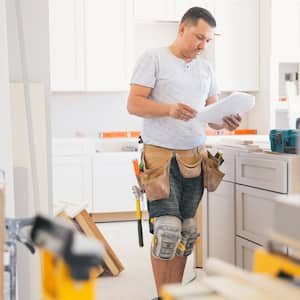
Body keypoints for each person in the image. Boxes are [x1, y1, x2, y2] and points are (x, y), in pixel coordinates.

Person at [127, 7, 241, 300]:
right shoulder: (153, 58)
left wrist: (225, 120)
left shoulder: (206, 69)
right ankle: (161, 294)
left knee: (186, 233)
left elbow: (211, 113)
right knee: (166, 230)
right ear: (181, 29)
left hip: (194, 158)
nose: (202, 45)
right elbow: (134, 104)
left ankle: (172, 296)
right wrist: (169, 109)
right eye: (198, 37)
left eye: (208, 41)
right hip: (159, 158)